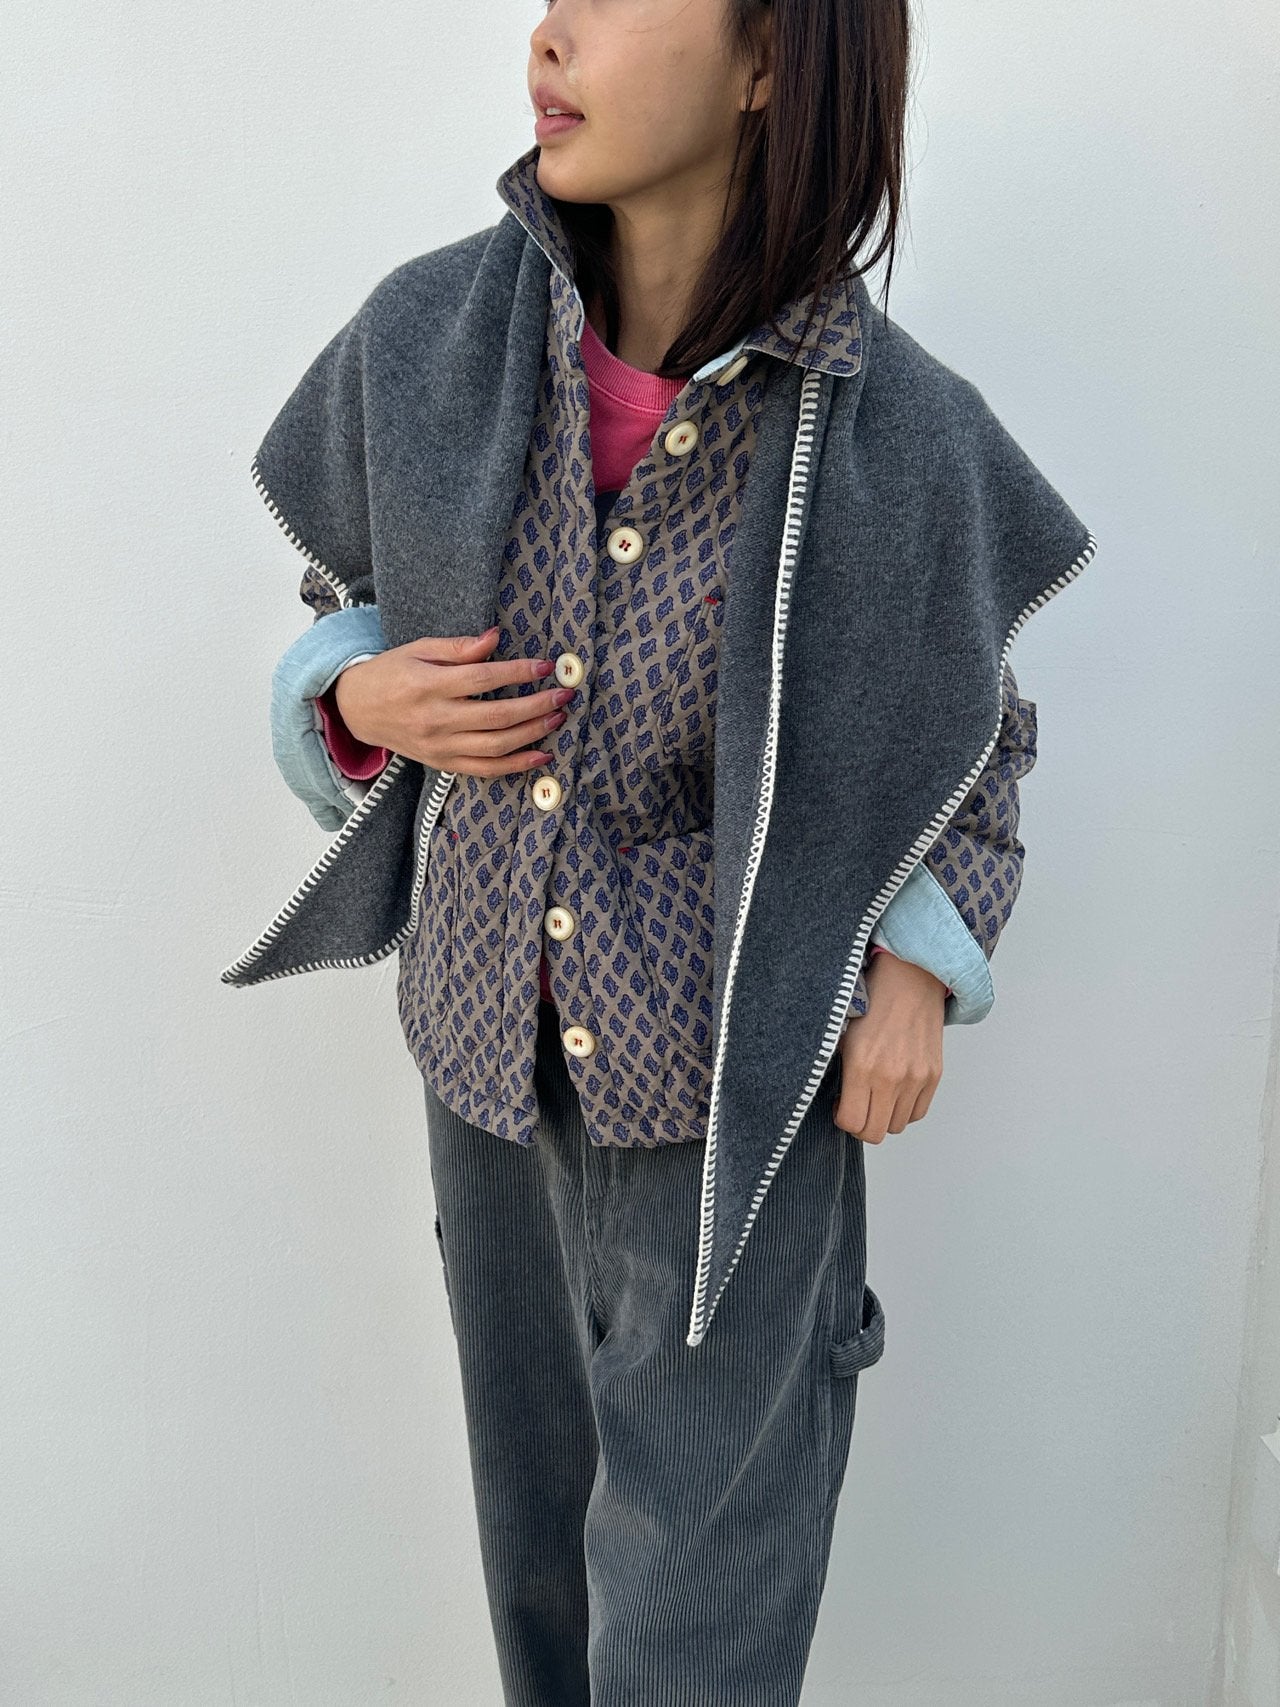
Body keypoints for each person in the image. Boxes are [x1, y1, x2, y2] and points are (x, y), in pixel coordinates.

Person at [221, 2, 1098, 1699]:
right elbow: (351, 605)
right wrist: (357, 694)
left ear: (770, 60)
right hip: (484, 1066)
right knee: (542, 1573)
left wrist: (918, 965)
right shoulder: (434, 338)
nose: (552, 34)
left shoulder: (891, 429)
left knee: (699, 1626)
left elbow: (975, 732)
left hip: (735, 1106)